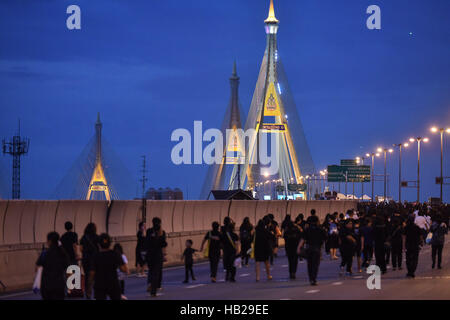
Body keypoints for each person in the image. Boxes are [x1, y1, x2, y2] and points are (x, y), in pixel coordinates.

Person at [91, 234, 127, 300]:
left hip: (99, 284)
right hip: (113, 283)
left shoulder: (96, 256)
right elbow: (124, 269)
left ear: (99, 244)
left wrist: (90, 283)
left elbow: (92, 273)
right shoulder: (115, 254)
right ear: (110, 243)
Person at [36, 232, 70, 300]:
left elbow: (38, 268)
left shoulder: (45, 253)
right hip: (59, 285)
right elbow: (67, 266)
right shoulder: (62, 253)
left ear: (49, 241)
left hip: (47, 285)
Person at [297, 215, 326, 285]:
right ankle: (314, 279)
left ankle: (310, 279)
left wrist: (298, 248)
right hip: (317, 248)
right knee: (315, 265)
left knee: (309, 264)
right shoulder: (320, 229)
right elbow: (324, 239)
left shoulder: (307, 229)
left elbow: (303, 239)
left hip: (309, 248)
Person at [145, 217, 167, 297]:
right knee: (156, 273)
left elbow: (146, 242)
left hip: (150, 255)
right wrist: (160, 236)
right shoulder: (162, 232)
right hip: (157, 255)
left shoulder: (148, 231)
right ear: (160, 223)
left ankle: (150, 284)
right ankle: (153, 291)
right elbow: (164, 244)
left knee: (151, 271)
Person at [79, 223, 100, 299]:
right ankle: (96, 293)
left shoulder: (83, 237)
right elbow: (100, 248)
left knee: (87, 277)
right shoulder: (97, 237)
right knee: (95, 278)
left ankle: (88, 294)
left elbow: (81, 249)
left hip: (85, 259)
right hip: (94, 259)